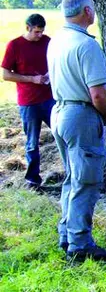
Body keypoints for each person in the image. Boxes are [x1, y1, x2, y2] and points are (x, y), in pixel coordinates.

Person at [47, 0, 106, 261]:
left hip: (59, 111)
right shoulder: (87, 45)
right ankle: (80, 244)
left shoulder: (58, 40)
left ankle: (67, 233)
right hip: (80, 115)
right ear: (87, 11)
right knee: (86, 181)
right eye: (93, 8)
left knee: (72, 177)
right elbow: (98, 94)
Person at [2, 14, 55, 189]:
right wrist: (32, 79)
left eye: (42, 31)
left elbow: (57, 63)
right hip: (28, 102)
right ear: (28, 28)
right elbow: (6, 74)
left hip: (49, 99)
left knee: (62, 135)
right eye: (37, 32)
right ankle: (33, 180)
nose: (40, 35)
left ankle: (71, 173)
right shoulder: (15, 45)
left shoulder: (48, 42)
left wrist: (50, 75)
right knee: (32, 142)